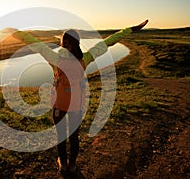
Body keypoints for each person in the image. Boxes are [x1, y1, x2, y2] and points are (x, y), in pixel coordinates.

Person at [12, 20, 148, 175]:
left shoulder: (54, 58)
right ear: (78, 43)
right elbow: (108, 42)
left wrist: (12, 32)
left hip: (59, 105)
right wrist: (130, 30)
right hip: (76, 105)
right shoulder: (85, 58)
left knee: (61, 136)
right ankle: (72, 165)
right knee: (74, 137)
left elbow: (33, 42)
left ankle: (63, 165)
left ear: (62, 43)